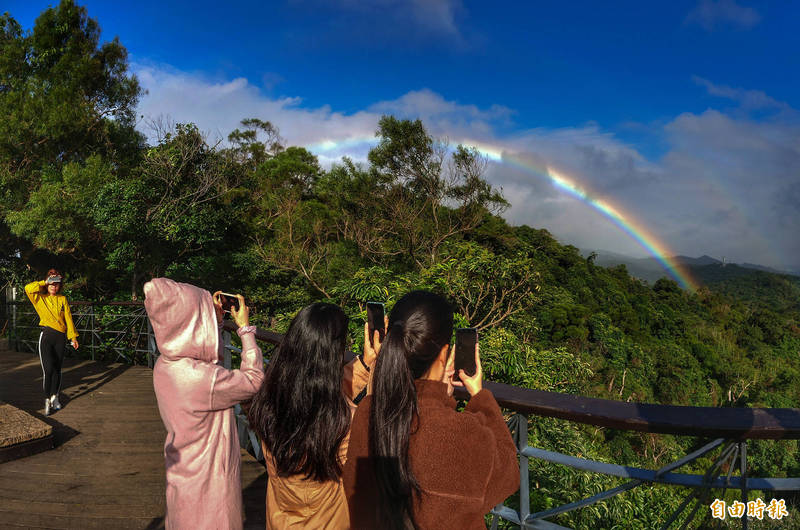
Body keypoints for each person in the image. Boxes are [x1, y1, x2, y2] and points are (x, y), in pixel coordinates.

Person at [342, 290, 520, 530]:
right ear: (444, 353)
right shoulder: (464, 431)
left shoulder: (368, 413)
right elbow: (507, 476)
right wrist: (479, 396)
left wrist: (439, 395)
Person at [144, 277, 264, 530]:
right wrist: (245, 330)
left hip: (184, 471)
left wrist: (215, 322)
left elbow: (205, 358)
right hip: (210, 481)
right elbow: (254, 381)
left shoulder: (165, 364)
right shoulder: (202, 379)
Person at [247, 302, 380, 529]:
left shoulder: (269, 402)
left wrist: (365, 364)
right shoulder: (344, 423)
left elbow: (317, 391)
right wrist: (377, 374)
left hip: (279, 520)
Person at [25, 269, 79, 415]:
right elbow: (28, 288)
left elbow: (68, 318)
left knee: (57, 370)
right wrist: (45, 281)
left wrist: (73, 337)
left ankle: (55, 397)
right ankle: (47, 399)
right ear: (47, 285)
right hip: (47, 336)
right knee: (48, 370)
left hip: (60, 338)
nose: (54, 287)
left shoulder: (62, 299)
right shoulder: (39, 298)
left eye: (56, 284)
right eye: (51, 284)